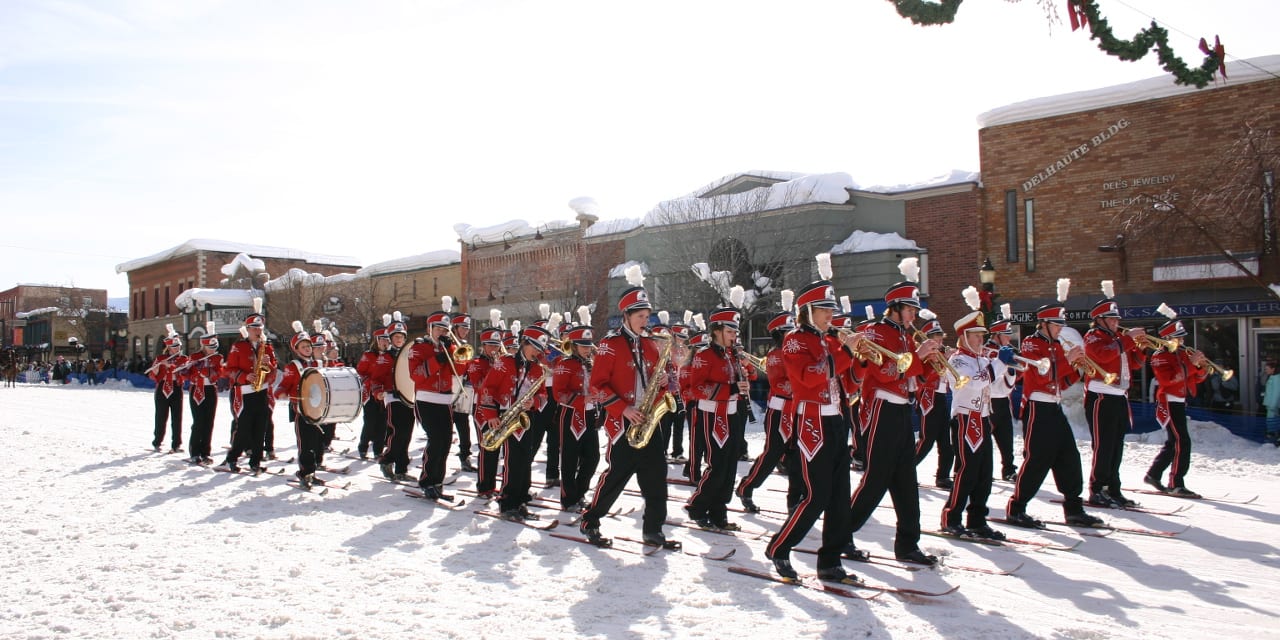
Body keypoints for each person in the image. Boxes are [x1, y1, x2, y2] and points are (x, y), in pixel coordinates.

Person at [763, 270, 860, 581]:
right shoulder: (794, 340)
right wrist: (846, 352)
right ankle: (780, 547)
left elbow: (849, 379)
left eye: (831, 310)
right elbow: (811, 375)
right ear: (807, 312)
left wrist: (860, 356)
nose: (831, 316)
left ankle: (830, 562)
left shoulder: (830, 340)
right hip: (811, 422)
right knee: (815, 496)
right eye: (825, 310)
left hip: (836, 418)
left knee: (839, 497)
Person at [847, 265, 940, 566]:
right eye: (910, 310)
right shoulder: (876, 332)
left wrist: (933, 361)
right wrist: (919, 358)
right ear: (896, 308)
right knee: (876, 479)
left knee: (906, 479)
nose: (914, 316)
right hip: (881, 410)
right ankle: (842, 534)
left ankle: (908, 544)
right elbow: (886, 372)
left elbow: (916, 376)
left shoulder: (904, 336)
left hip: (902, 410)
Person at [579, 268, 674, 548]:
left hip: (649, 420)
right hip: (624, 423)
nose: (646, 321)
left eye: (647, 316)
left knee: (656, 478)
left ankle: (653, 529)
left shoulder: (651, 344)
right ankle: (590, 520)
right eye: (640, 316)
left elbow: (656, 379)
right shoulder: (609, 345)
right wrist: (623, 409)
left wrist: (665, 382)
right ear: (626, 316)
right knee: (616, 477)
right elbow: (597, 387)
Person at [1004, 283, 1104, 529]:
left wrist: (1079, 368)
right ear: (1045, 324)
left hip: (1054, 406)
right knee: (1037, 460)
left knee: (1069, 455)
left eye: (1061, 324)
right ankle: (1016, 507)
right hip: (1037, 407)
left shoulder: (1059, 345)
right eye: (1057, 324)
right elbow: (1042, 375)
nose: (1060, 329)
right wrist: (1069, 361)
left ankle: (1074, 508)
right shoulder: (1031, 343)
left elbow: (1063, 380)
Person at [939, 294, 1010, 540]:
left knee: (984, 473)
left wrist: (1009, 369)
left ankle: (977, 519)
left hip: (983, 417)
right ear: (964, 337)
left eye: (982, 335)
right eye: (977, 336)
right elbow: (975, 384)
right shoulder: (957, 360)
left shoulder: (982, 359)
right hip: (966, 419)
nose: (982, 340)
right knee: (967, 471)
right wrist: (999, 365)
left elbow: (1001, 388)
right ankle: (951, 516)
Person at [684, 305, 756, 532]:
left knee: (730, 467)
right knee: (717, 466)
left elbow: (742, 380)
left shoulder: (733, 355)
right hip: (713, 414)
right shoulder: (704, 355)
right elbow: (698, 388)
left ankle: (719, 514)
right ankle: (697, 507)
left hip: (732, 413)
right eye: (730, 331)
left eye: (735, 332)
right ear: (716, 330)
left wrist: (744, 382)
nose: (734, 336)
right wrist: (732, 387)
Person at [1081, 285, 1147, 508]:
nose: (1115, 322)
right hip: (1100, 395)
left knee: (1117, 445)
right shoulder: (1092, 337)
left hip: (1119, 395)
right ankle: (1097, 489)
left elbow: (1135, 364)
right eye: (1110, 319)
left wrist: (1141, 348)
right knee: (1104, 445)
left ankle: (1113, 488)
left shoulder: (1119, 338)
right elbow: (1102, 355)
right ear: (1099, 320)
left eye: (1116, 319)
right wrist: (1128, 340)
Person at [477, 325, 552, 519]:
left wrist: (533, 401)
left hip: (526, 417)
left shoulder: (538, 369)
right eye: (534, 347)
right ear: (524, 343)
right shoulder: (505, 362)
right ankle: (507, 501)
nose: (537, 352)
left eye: (540, 350)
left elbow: (543, 394)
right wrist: (491, 414)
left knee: (525, 459)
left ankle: (520, 499)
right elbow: (487, 389)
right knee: (512, 461)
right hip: (506, 415)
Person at [737, 308, 797, 513]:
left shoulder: (794, 353)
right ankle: (746, 487)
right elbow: (780, 384)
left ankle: (795, 502)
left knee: (798, 457)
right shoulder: (775, 355)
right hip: (780, 411)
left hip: (797, 410)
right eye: (789, 332)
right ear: (780, 334)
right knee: (771, 455)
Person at [1144, 317, 1210, 497]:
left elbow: (1195, 379)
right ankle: (1176, 483)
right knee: (1182, 441)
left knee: (1174, 443)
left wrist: (1201, 367)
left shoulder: (1182, 355)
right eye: (1178, 338)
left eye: (1182, 338)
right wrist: (1192, 364)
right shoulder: (1160, 356)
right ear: (1168, 338)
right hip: (1169, 402)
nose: (1182, 341)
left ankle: (1153, 474)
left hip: (1180, 401)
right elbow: (1168, 380)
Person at [217, 299, 278, 475]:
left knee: (261, 428)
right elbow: (228, 370)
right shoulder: (239, 346)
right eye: (254, 328)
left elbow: (273, 369)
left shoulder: (267, 347)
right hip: (243, 393)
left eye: (260, 328)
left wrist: (270, 364)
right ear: (248, 329)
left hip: (261, 391)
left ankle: (255, 462)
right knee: (243, 429)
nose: (258, 331)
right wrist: (244, 376)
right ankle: (232, 459)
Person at [409, 308, 461, 499]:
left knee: (446, 440)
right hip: (426, 399)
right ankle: (427, 480)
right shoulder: (419, 347)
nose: (442, 333)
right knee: (436, 439)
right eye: (438, 329)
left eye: (445, 330)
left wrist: (453, 352)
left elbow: (461, 369)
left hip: (445, 400)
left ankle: (438, 480)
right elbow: (416, 374)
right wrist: (439, 357)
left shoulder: (451, 348)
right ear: (430, 328)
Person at [551, 323, 600, 511]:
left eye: (589, 345)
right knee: (570, 460)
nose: (588, 349)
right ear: (574, 346)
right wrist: (582, 398)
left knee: (593, 457)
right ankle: (568, 499)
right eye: (584, 346)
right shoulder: (565, 364)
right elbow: (559, 394)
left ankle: (579, 492)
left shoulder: (592, 363)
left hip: (590, 414)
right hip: (571, 414)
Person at [276, 322, 326, 488]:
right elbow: (283, 385)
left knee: (319, 444)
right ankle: (305, 473)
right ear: (296, 350)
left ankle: (313, 471)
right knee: (306, 445)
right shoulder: (293, 366)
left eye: (308, 346)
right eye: (303, 346)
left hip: (318, 411)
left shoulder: (317, 364)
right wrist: (281, 393)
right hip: (302, 411)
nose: (307, 349)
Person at [912, 316, 954, 489]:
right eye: (935, 336)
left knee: (946, 440)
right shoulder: (924, 355)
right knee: (926, 439)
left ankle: (943, 475)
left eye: (940, 336)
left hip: (942, 397)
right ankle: (905, 470)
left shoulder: (941, 353)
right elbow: (925, 377)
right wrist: (942, 361)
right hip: (928, 397)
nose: (939, 339)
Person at [378, 313, 416, 482]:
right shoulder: (385, 357)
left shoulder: (410, 355)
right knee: (397, 432)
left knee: (407, 434)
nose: (399, 340)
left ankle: (401, 468)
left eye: (401, 337)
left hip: (408, 398)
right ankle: (386, 459)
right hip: (393, 397)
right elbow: (375, 377)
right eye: (396, 337)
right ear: (391, 338)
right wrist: (377, 390)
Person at [985, 306, 1020, 481]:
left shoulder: (1005, 351)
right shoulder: (986, 352)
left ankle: (1008, 470)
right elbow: (988, 377)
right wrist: (1002, 363)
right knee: (984, 440)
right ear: (997, 335)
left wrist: (1012, 369)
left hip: (1003, 400)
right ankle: (981, 470)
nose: (1009, 338)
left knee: (1006, 439)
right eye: (1006, 335)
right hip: (989, 401)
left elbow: (1008, 384)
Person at [468, 327, 504, 498]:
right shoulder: (476, 364)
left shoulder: (502, 362)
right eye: (490, 345)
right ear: (483, 346)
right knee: (486, 446)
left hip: (499, 407)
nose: (494, 349)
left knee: (496, 448)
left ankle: (491, 485)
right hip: (482, 408)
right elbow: (480, 386)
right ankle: (483, 486)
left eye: (497, 345)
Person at [184, 322, 224, 465]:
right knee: (198, 422)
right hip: (197, 390)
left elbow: (219, 374)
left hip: (210, 390)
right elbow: (187, 375)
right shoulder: (195, 356)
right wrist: (186, 369)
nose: (213, 350)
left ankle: (205, 453)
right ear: (204, 346)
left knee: (209, 422)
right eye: (210, 347)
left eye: (215, 347)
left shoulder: (218, 358)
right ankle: (194, 452)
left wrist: (208, 371)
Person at [147, 330, 188, 453]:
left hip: (176, 388)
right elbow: (152, 375)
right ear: (169, 348)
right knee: (161, 416)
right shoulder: (160, 358)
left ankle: (176, 444)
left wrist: (174, 367)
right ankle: (157, 442)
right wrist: (159, 365)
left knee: (177, 417)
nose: (177, 349)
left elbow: (185, 373)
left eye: (179, 346)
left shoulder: (183, 358)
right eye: (175, 347)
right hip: (162, 388)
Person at [355, 329, 391, 460]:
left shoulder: (391, 355)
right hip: (371, 394)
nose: (385, 342)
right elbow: (360, 372)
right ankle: (363, 446)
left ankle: (378, 450)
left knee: (382, 423)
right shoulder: (369, 355)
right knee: (370, 422)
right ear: (376, 340)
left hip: (385, 394)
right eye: (382, 339)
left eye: (387, 339)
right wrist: (371, 384)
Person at [450, 312, 478, 472]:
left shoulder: (465, 345)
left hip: (461, 390)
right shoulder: (449, 344)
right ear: (455, 327)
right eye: (463, 328)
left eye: (467, 328)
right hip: (447, 390)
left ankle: (465, 456)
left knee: (463, 426)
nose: (465, 331)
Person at [1264, 361, 1280, 444]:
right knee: (1271, 422)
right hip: (1270, 404)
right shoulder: (1272, 377)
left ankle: (1275, 439)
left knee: (1274, 422)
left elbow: (1276, 393)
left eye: (1267, 369)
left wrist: (1273, 405)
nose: (1265, 370)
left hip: (1273, 405)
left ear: (1273, 369)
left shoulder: (1277, 378)